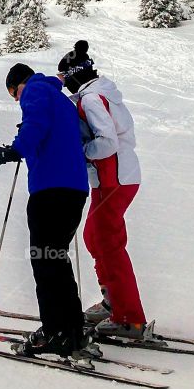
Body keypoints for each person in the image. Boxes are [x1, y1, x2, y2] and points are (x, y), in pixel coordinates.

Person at [0, 62, 90, 359]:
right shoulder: (61, 99)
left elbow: (36, 124)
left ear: (20, 83)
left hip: (50, 190)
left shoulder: (35, 90)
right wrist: (23, 143)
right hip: (74, 190)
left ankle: (56, 332)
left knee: (45, 261)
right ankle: (71, 331)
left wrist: (12, 151)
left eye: (13, 93)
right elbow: (50, 131)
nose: (17, 99)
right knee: (56, 259)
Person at [58, 40, 148, 340]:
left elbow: (107, 142)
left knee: (108, 243)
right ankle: (113, 301)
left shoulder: (93, 99)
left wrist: (81, 151)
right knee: (94, 237)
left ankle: (130, 318)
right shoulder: (99, 93)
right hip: (111, 178)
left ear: (74, 75)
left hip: (115, 177)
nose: (63, 82)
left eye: (64, 76)